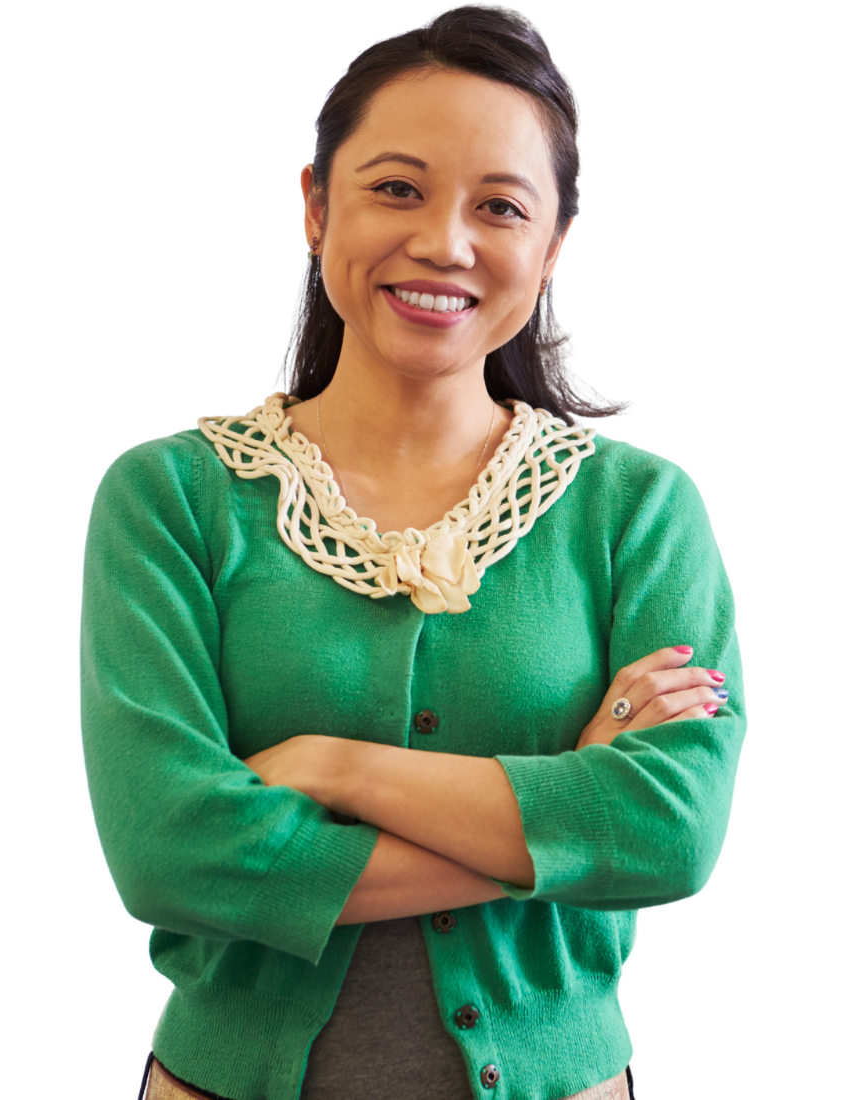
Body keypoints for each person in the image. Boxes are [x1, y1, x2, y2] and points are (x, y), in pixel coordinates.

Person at [80, 6, 746, 1100]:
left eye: (500, 206)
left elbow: (670, 835)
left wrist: (335, 766)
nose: (444, 242)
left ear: (553, 247)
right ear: (315, 206)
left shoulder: (636, 508)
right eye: (397, 188)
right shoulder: (171, 497)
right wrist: (568, 814)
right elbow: (168, 853)